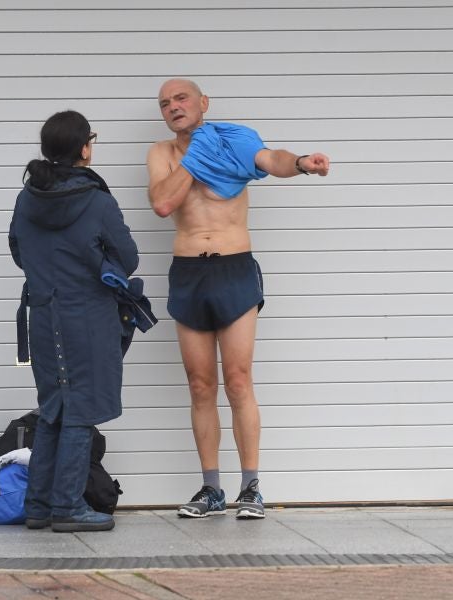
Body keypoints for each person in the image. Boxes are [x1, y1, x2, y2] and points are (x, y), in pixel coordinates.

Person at [146, 79, 330, 519]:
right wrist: (196, 156)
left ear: (204, 102)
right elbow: (164, 203)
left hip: (234, 267)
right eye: (165, 103)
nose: (174, 107)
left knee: (240, 379)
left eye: (182, 98)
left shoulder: (235, 140)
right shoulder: (161, 154)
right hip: (189, 271)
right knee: (200, 385)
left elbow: (272, 160)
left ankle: (251, 488)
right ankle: (211, 489)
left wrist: (303, 163)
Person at [9, 110, 139, 532]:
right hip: (88, 316)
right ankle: (67, 508)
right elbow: (130, 259)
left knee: (53, 411)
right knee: (81, 411)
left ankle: (40, 506)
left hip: (43, 315)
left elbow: (18, 251)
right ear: (84, 148)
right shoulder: (97, 200)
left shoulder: (28, 198)